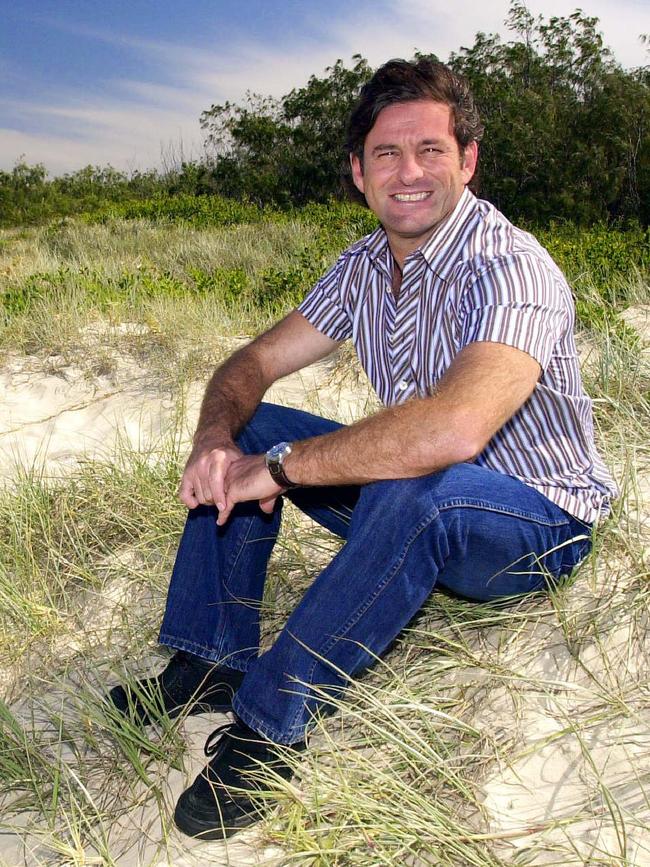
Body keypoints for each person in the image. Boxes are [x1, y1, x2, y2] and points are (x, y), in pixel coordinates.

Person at [108, 58, 617, 840]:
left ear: (468, 160)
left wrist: (274, 471)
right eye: (386, 153)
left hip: (537, 525)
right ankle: (210, 654)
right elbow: (250, 365)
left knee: (421, 482)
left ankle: (273, 724)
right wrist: (219, 443)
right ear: (357, 171)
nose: (408, 172)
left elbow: (453, 431)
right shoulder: (361, 268)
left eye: (431, 150)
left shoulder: (515, 268)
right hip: (417, 497)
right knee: (253, 425)